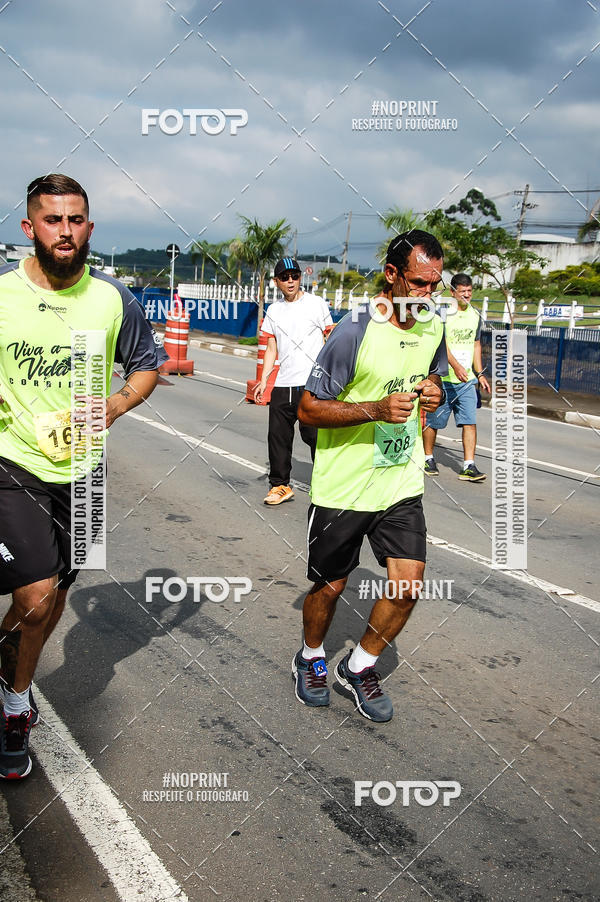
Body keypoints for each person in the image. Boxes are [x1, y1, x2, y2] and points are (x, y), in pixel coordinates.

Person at [0, 174, 166, 779]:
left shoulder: (113, 299)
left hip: (86, 472)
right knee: (35, 594)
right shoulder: (3, 296)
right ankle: (15, 708)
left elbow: (147, 367)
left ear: (89, 228)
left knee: (55, 598)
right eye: (53, 220)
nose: (65, 231)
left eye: (75, 220)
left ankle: (9, 675)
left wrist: (115, 405)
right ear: (30, 227)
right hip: (14, 461)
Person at [294, 230, 447, 722]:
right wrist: (375, 409)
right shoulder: (354, 331)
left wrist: (435, 391)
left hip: (400, 480)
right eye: (419, 283)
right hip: (345, 484)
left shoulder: (433, 325)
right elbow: (308, 409)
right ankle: (310, 657)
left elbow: (433, 374)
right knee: (330, 587)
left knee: (408, 585)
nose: (428, 294)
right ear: (392, 275)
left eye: (435, 284)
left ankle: (359, 666)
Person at [254, 257, 333, 505]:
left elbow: (330, 339)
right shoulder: (274, 310)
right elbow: (271, 348)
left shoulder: (316, 304)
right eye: (285, 277)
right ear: (276, 281)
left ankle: (326, 483)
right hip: (283, 384)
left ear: (300, 277)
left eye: (295, 276)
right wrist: (264, 380)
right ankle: (280, 485)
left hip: (312, 384)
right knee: (278, 436)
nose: (290, 281)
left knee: (315, 436)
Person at [423, 273, 490, 481]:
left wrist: (479, 373)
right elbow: (441, 343)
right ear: (453, 292)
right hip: (443, 379)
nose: (467, 295)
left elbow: (476, 344)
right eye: (462, 292)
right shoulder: (443, 314)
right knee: (433, 422)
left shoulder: (475, 315)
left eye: (469, 291)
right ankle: (427, 458)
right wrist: (455, 366)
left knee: (470, 421)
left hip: (466, 381)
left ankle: (469, 465)